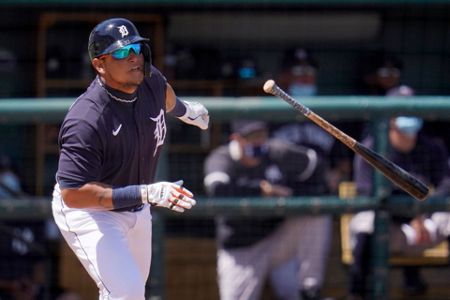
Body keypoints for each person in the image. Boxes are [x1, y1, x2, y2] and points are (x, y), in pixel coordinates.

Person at [51, 18, 209, 300]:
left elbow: (165, 95)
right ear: (100, 64)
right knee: (127, 291)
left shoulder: (148, 79)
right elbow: (73, 194)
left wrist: (186, 111)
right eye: (122, 53)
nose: (134, 57)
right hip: (90, 211)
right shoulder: (86, 119)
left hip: (138, 203)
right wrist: (146, 192)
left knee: (130, 290)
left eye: (136, 48)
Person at [204, 120, 334, 300]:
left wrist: (290, 192)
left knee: (316, 214)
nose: (259, 142)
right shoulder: (222, 158)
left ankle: (310, 288)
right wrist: (261, 190)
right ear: (237, 139)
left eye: (262, 136)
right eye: (253, 137)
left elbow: (317, 167)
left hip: (278, 239)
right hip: (241, 250)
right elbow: (218, 191)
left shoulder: (276, 151)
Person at [348, 112, 449, 300]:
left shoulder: (431, 147)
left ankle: (413, 278)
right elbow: (368, 193)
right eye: (403, 114)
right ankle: (358, 293)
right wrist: (410, 216)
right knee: (366, 221)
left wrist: (423, 215)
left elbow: (446, 183)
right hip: (389, 228)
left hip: (426, 226)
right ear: (391, 120)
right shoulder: (372, 147)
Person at [274, 48, 352, 194]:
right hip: (279, 196)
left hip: (318, 197)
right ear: (283, 76)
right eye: (298, 71)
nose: (305, 77)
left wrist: (335, 176)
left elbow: (344, 163)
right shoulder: (271, 113)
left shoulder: (328, 114)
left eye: (310, 71)